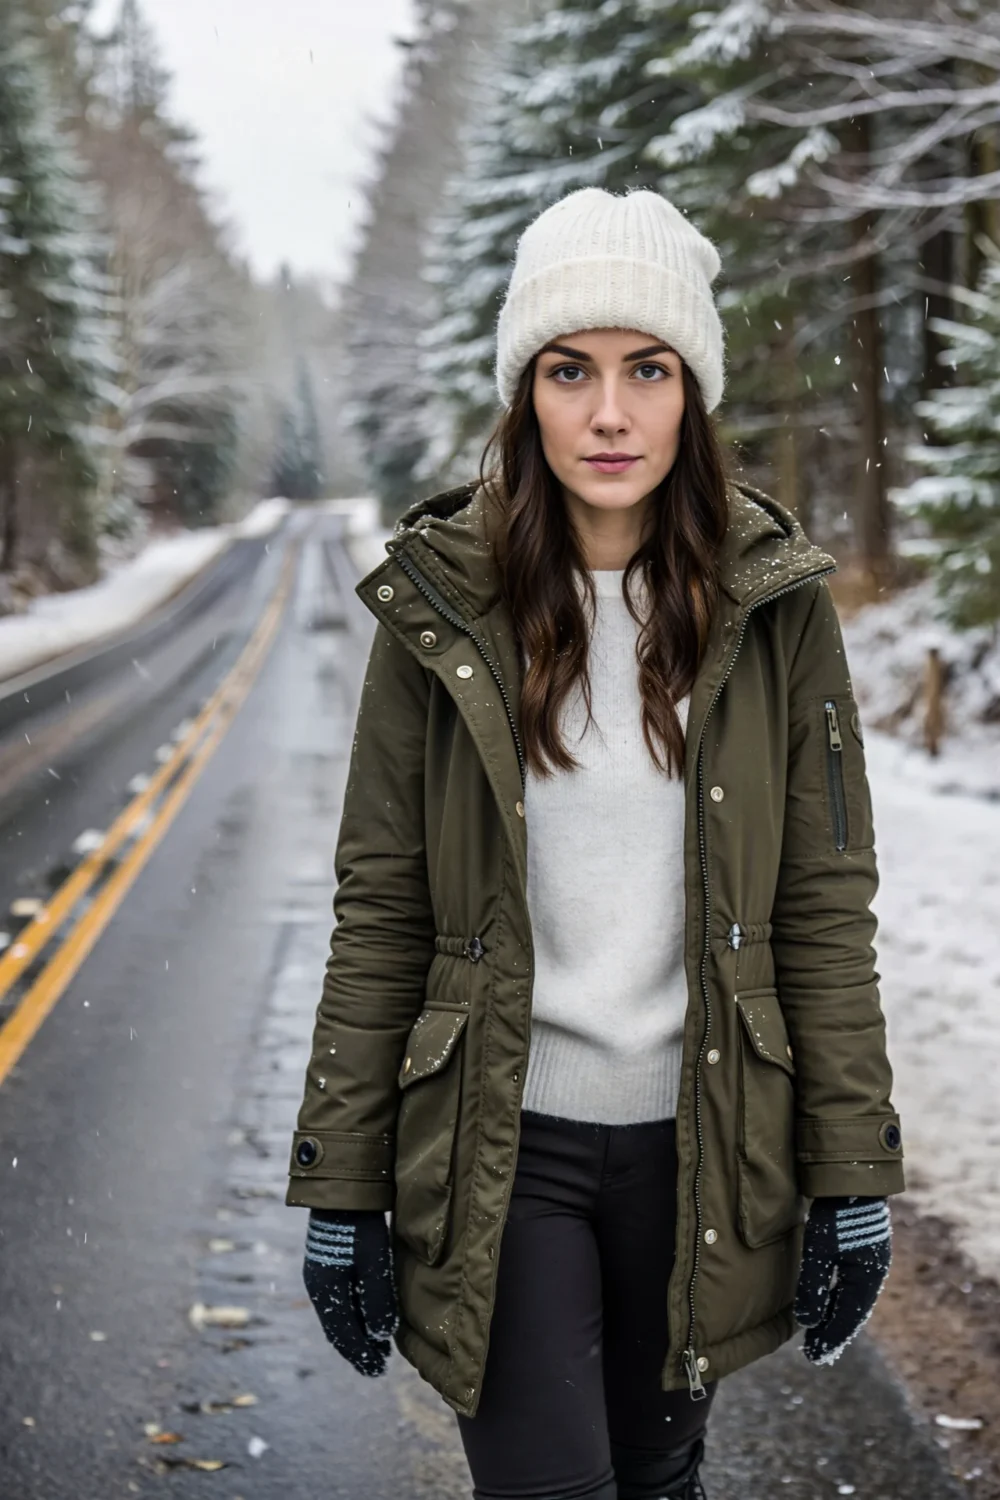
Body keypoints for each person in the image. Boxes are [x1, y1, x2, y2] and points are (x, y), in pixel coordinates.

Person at [286, 187, 904, 1500]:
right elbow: (384, 905)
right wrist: (341, 1184)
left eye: (648, 369)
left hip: (705, 1142)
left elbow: (822, 903)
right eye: (571, 371)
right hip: (506, 1146)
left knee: (657, 1478)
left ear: (693, 394)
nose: (611, 413)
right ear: (528, 393)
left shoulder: (778, 612)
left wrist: (853, 1166)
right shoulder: (440, 612)